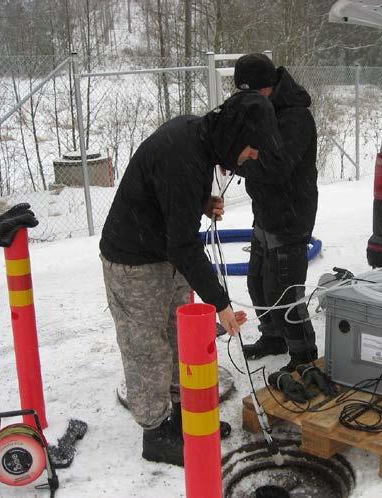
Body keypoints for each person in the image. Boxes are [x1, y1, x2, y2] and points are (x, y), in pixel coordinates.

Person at [100, 90, 289, 467]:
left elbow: (174, 198)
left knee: (175, 336)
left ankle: (184, 418)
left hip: (163, 252)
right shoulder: (182, 154)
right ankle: (155, 434)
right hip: (133, 258)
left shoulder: (201, 138)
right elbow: (185, 244)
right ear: (236, 136)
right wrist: (220, 305)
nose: (251, 157)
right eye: (252, 149)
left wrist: (201, 201)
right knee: (147, 346)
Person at [232, 54, 319, 372]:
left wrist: (242, 158)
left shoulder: (295, 118)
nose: (247, 101)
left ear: (268, 87)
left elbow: (277, 167)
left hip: (290, 215)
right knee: (257, 281)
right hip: (265, 210)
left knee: (283, 291)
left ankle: (304, 354)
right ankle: (274, 337)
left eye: (252, 93)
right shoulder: (261, 109)